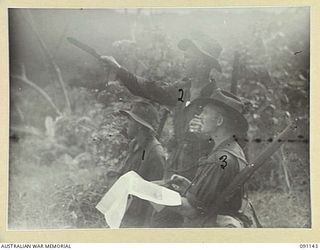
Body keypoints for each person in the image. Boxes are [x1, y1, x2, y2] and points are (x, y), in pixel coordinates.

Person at [100, 34, 223, 181]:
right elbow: (151, 90)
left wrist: (205, 135)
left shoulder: (217, 100)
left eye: (188, 57)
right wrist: (118, 69)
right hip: (173, 170)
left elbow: (226, 144)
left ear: (202, 63)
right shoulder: (182, 90)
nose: (183, 62)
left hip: (197, 177)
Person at [156, 88, 254, 227]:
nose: (199, 116)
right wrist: (190, 186)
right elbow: (215, 196)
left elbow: (192, 210)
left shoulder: (220, 158)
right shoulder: (232, 149)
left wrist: (153, 194)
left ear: (219, 120)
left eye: (205, 112)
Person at [107, 101, 166, 227]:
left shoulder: (155, 153)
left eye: (130, 120)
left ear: (139, 125)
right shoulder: (134, 144)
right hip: (124, 213)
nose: (127, 124)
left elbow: (154, 199)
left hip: (137, 221)